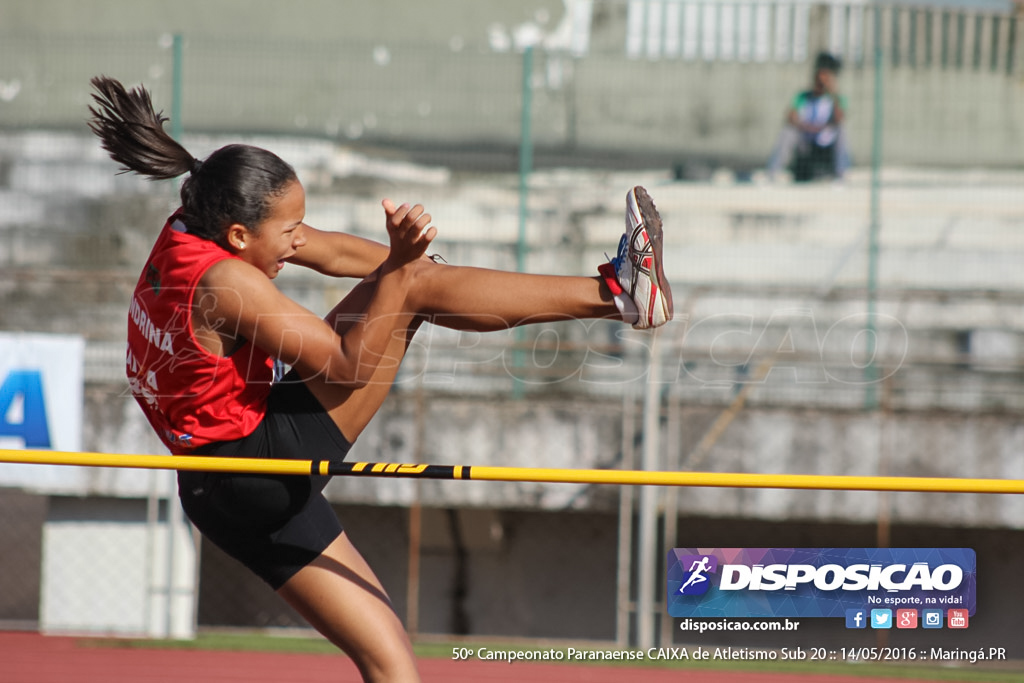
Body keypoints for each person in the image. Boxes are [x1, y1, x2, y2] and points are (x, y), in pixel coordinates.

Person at [88, 76, 672, 682]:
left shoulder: (193, 223)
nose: (297, 243)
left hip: (223, 480)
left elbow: (333, 253)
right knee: (411, 287)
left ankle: (621, 294)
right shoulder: (225, 284)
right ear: (239, 236)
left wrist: (416, 269)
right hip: (254, 466)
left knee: (389, 660)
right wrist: (405, 276)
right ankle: (618, 294)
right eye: (288, 234)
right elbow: (345, 365)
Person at [767, 52, 850, 182]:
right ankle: (772, 173)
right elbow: (791, 116)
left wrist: (832, 94)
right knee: (788, 131)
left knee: (841, 130)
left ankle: (841, 176)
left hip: (826, 143)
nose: (821, 82)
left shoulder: (837, 99)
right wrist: (809, 127)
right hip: (806, 141)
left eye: (826, 79)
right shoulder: (803, 97)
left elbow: (839, 118)